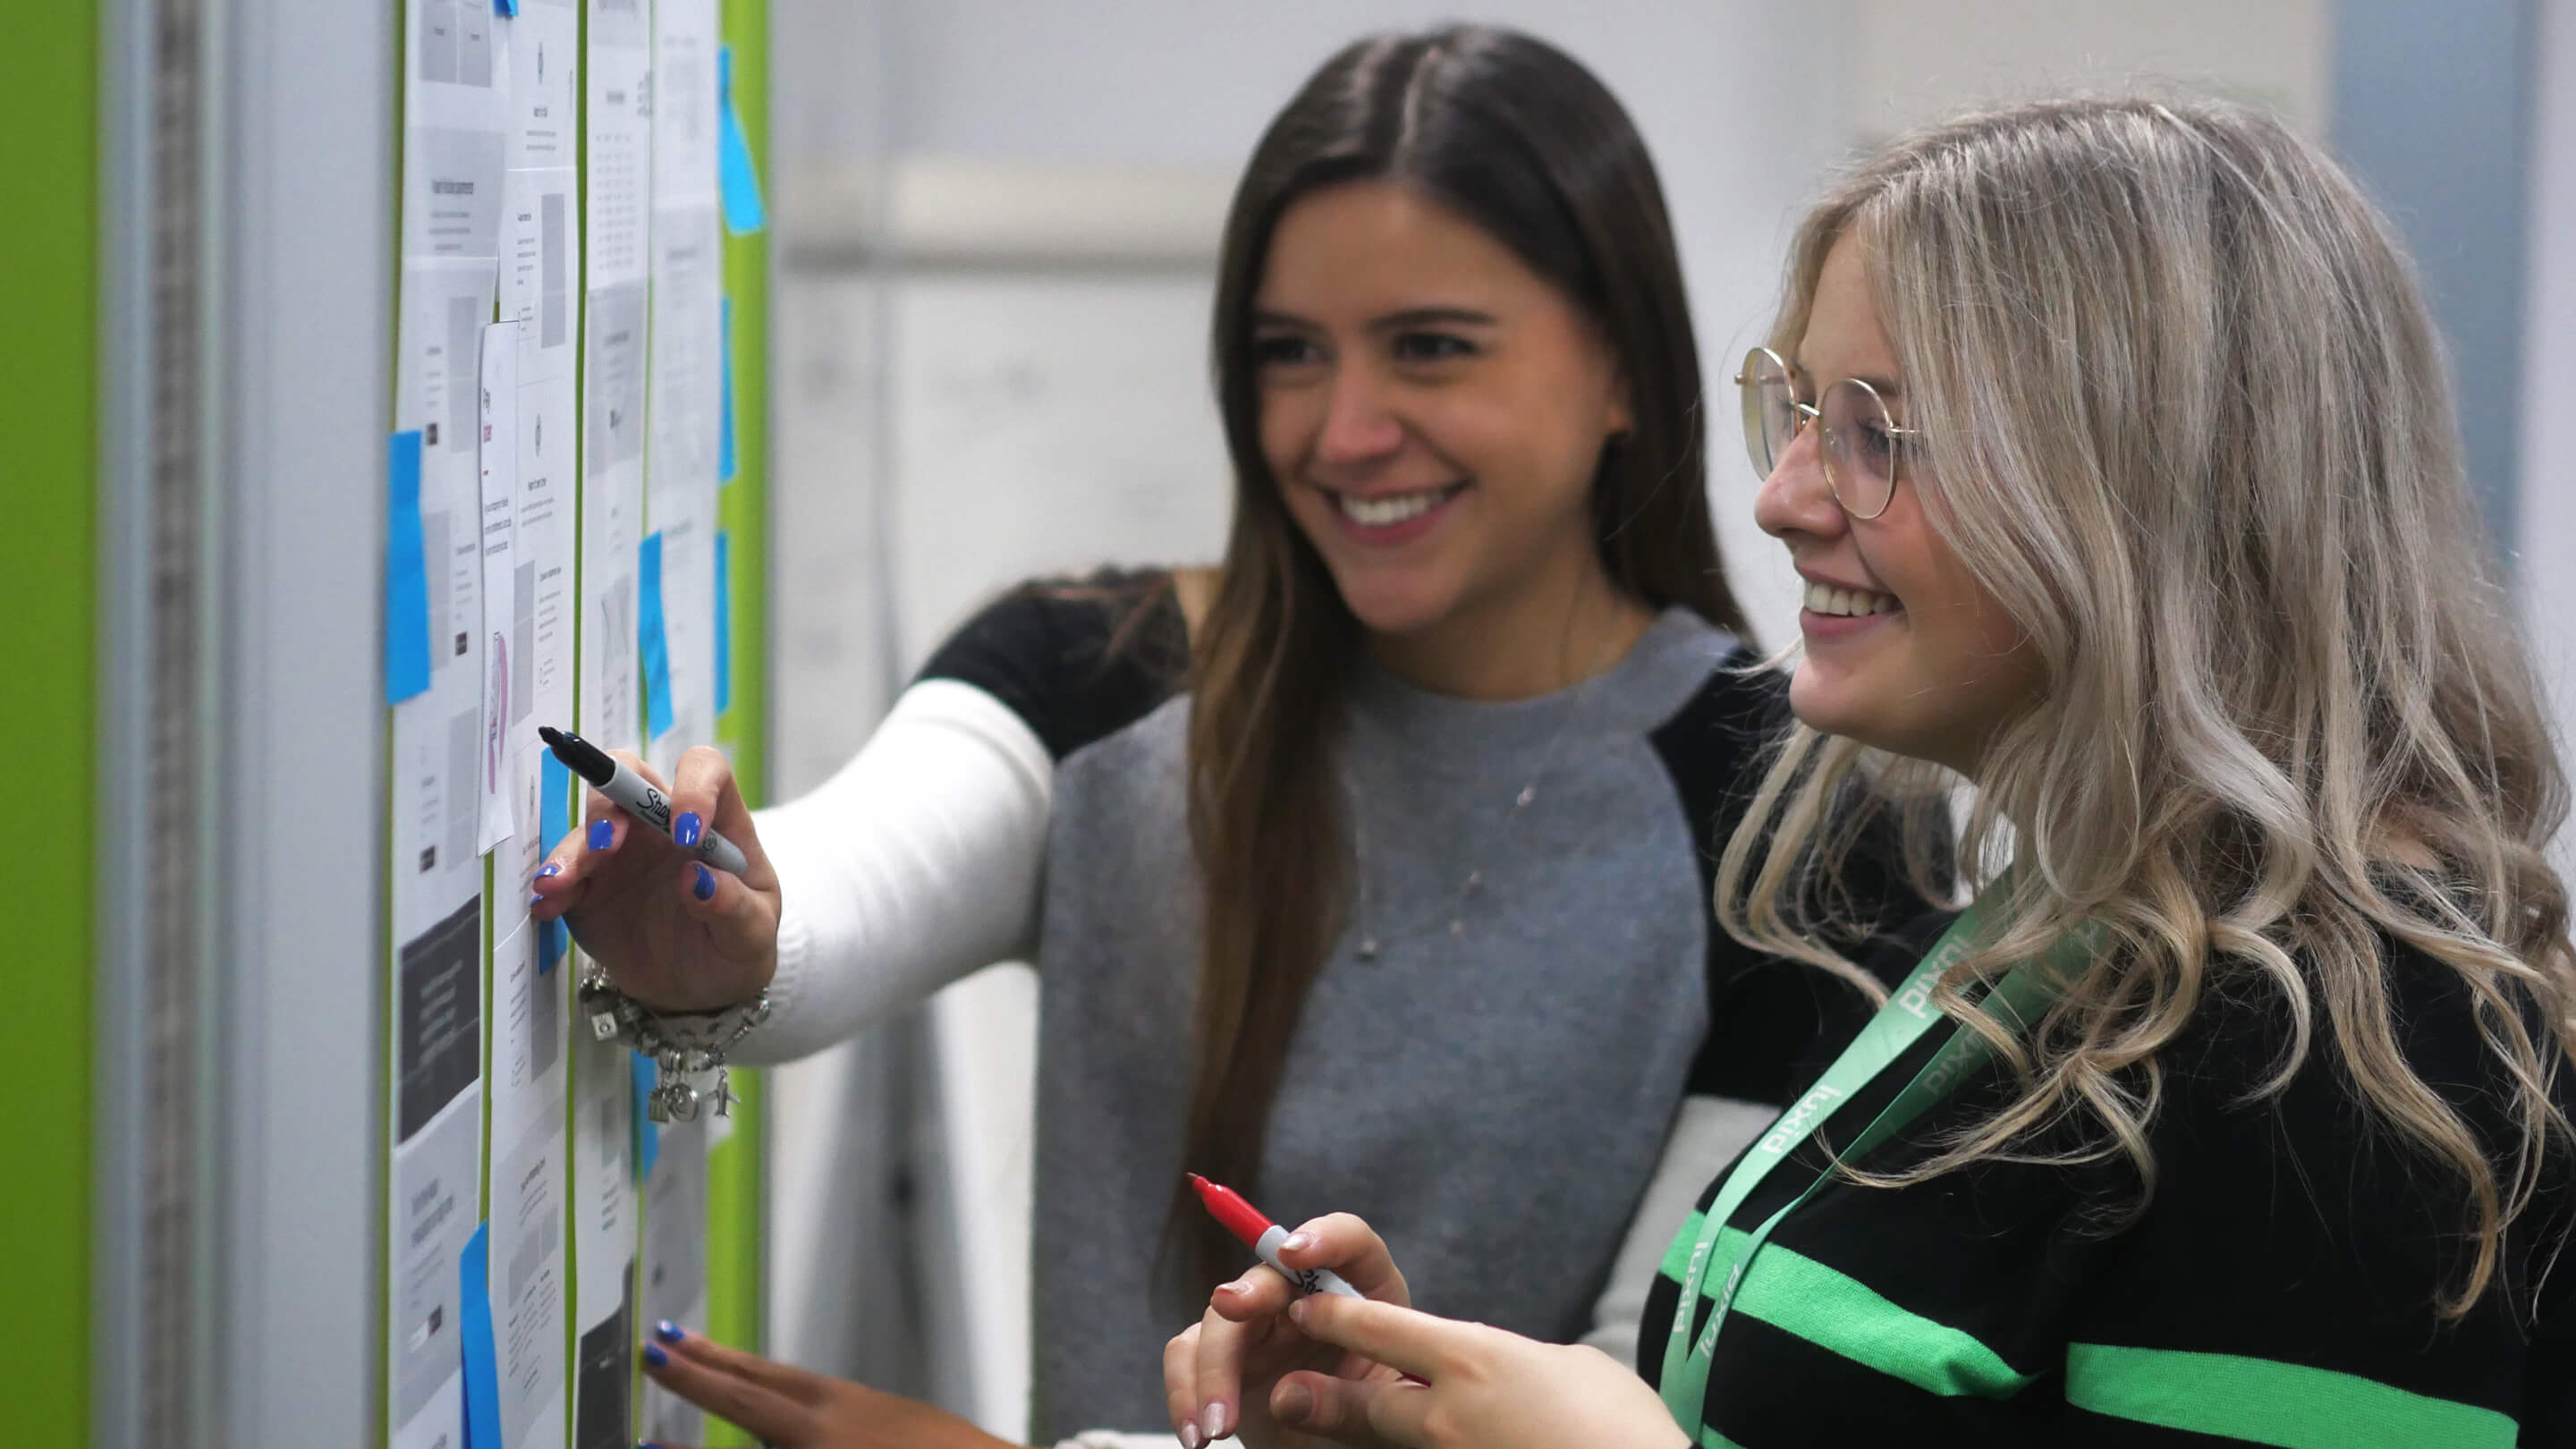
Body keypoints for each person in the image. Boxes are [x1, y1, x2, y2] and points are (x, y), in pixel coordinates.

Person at [531, 25, 1929, 1449]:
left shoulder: (1802, 817)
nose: (1344, 429)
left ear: (1625, 368)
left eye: (1431, 348)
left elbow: (1655, 1409)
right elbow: (843, 897)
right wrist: (735, 934)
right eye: (1289, 355)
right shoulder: (1091, 678)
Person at [1167, 95, 2576, 1447]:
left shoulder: (2347, 1053)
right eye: (1798, 416)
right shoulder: (2069, 947)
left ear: (2145, 486)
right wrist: (1431, 1418)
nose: (1782, 500)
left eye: (1879, 435)